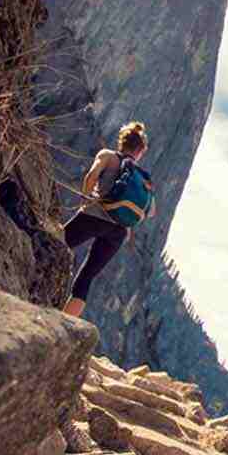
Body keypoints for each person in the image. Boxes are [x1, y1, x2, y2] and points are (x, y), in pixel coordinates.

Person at [61, 121, 154, 318]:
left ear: (122, 142)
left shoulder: (108, 156)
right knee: (87, 276)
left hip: (94, 216)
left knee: (56, 242)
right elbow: (151, 211)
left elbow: (91, 176)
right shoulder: (142, 178)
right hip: (118, 232)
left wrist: (85, 200)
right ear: (140, 151)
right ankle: (66, 323)